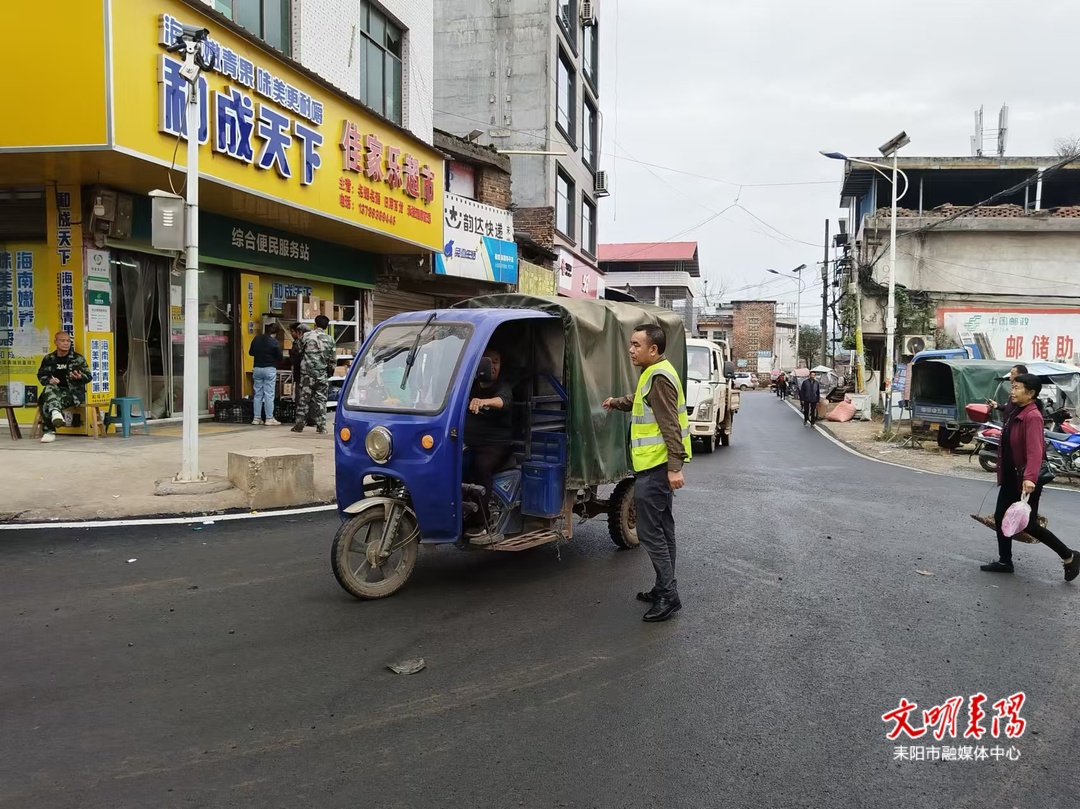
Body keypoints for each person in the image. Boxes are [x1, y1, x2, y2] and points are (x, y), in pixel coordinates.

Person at [603, 324, 692, 623]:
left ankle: (668, 595)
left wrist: (674, 468)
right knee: (664, 529)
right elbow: (640, 402)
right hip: (654, 466)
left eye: (636, 345)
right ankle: (662, 587)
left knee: (650, 532)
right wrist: (616, 403)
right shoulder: (654, 374)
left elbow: (670, 426)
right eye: (630, 344)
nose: (631, 349)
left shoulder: (659, 378)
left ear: (652, 349)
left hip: (655, 468)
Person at [981, 373, 1079, 581]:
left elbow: (1035, 450)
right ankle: (1005, 561)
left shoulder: (1032, 416)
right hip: (1011, 476)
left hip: (1024, 478)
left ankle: (1069, 555)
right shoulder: (1016, 409)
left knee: (1029, 524)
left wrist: (1030, 478)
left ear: (1031, 393)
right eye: (1012, 387)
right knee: (1001, 516)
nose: (1012, 391)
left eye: (1016, 388)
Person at [463, 348, 514, 540]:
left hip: (496, 446)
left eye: (496, 361)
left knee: (480, 466)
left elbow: (503, 401)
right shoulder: (471, 384)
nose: (492, 366)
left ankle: (481, 523)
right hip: (469, 442)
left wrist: (484, 402)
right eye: (488, 361)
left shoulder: (503, 385)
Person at [36, 332, 91, 444]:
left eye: (68, 341)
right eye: (62, 340)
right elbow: (41, 375)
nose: (66, 343)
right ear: (55, 342)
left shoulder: (77, 359)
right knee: (50, 389)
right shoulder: (49, 359)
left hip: (72, 394)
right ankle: (55, 412)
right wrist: (49, 380)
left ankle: (49, 431)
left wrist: (79, 377)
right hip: (54, 392)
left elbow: (88, 376)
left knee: (48, 399)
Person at [292, 315, 335, 434]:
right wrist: (329, 372)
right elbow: (332, 359)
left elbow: (299, 350)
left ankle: (299, 426)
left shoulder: (306, 336)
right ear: (326, 327)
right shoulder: (330, 339)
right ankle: (322, 427)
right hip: (321, 373)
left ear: (315, 324)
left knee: (304, 400)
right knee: (321, 400)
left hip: (307, 374)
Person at [249, 323, 284, 425]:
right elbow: (280, 357)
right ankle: (269, 418)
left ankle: (256, 418)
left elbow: (250, 352)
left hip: (257, 368)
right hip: (269, 369)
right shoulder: (274, 342)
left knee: (257, 394)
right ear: (275, 333)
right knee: (269, 394)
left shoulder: (256, 339)